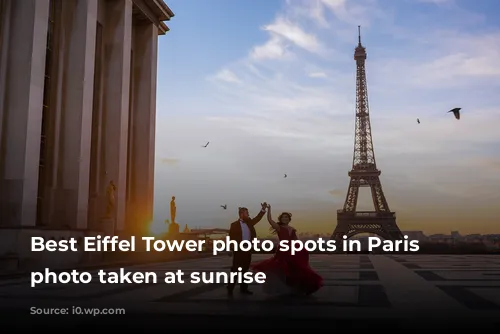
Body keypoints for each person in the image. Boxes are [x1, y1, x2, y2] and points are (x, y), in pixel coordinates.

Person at [251, 204, 323, 296]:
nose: (285, 218)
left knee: (296, 268)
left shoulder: (292, 229)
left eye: (286, 217)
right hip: (283, 250)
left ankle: (301, 286)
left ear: (289, 219)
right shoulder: (279, 227)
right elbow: (270, 220)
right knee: (284, 269)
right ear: (280, 219)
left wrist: (302, 250)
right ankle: (290, 287)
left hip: (292, 250)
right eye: (283, 217)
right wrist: (269, 209)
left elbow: (295, 240)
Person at [227, 203, 267, 296]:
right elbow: (231, 237)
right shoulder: (234, 225)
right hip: (238, 249)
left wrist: (263, 209)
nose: (248, 215)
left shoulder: (249, 222)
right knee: (235, 270)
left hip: (248, 249)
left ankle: (244, 288)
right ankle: (230, 288)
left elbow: (257, 218)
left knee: (245, 269)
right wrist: (229, 249)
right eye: (246, 213)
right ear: (241, 214)